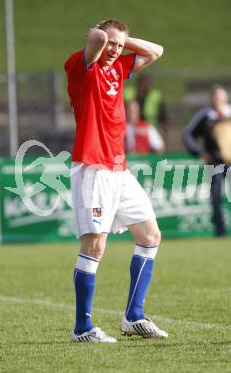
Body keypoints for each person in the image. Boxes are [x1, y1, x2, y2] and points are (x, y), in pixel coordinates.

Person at [65, 19, 168, 343]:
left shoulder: (118, 67)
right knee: (95, 246)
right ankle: (83, 327)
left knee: (150, 236)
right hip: (93, 169)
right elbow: (95, 39)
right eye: (110, 44)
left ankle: (133, 316)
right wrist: (104, 37)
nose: (115, 50)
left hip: (119, 170)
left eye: (119, 47)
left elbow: (157, 51)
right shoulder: (82, 66)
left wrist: (122, 40)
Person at [183, 85, 231, 237]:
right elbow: (187, 134)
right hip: (215, 162)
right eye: (214, 97)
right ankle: (220, 231)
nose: (216, 99)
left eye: (219, 96)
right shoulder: (205, 115)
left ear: (226, 98)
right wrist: (200, 152)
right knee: (216, 197)